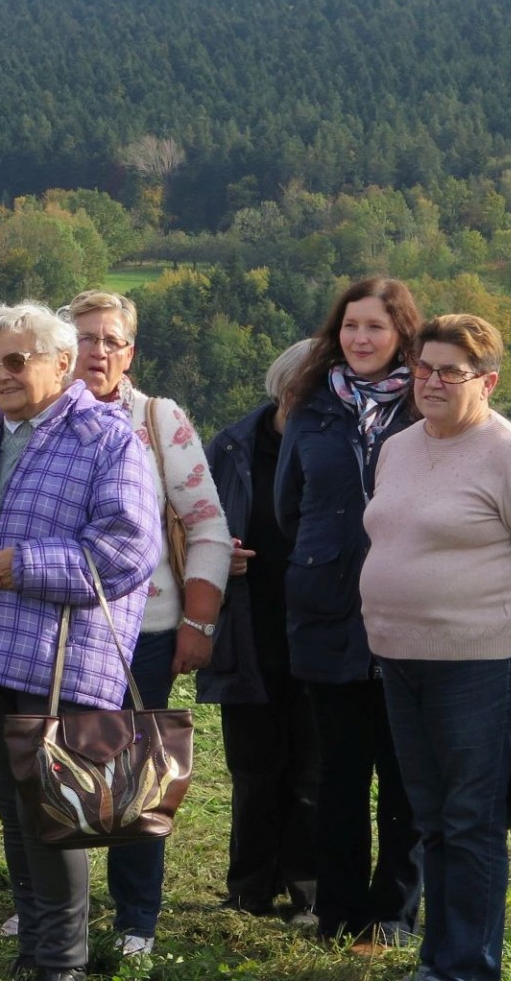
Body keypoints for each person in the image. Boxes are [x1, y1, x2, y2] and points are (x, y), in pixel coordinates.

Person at [0, 302, 163, 981]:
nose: (1, 375)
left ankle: (62, 964)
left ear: (62, 363)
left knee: (54, 817)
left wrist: (20, 564)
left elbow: (127, 549)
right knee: (16, 818)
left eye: (16, 360)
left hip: (63, 661)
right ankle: (33, 957)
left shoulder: (108, 441)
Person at [363, 313, 511, 981]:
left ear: (486, 381)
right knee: (431, 817)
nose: (429, 381)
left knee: (470, 821)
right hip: (400, 660)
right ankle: (440, 958)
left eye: (448, 372)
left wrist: (508, 637)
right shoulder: (398, 446)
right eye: (422, 368)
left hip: (478, 667)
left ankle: (467, 966)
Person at [63, 288, 231, 959]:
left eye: (111, 339)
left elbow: (209, 527)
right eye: (84, 337)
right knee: (56, 768)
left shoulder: (159, 420)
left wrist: (201, 620)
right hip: (54, 630)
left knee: (133, 778)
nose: (97, 350)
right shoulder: (36, 418)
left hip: (145, 632)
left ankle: (136, 916)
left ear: (130, 351)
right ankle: (53, 906)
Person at [275, 276, 423, 950]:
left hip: (410, 614)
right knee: (339, 773)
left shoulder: (426, 406)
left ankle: (391, 917)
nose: (361, 338)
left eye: (376, 327)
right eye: (351, 326)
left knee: (403, 774)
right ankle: (337, 913)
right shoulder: (310, 407)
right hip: (328, 611)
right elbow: (288, 506)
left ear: (402, 337)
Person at [199, 339, 319, 925]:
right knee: (251, 769)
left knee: (310, 772)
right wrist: (221, 554)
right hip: (248, 628)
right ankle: (248, 888)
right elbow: (193, 521)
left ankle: (306, 890)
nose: (308, 401)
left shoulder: (336, 445)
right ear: (282, 387)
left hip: (321, 631)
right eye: (302, 390)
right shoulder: (232, 445)